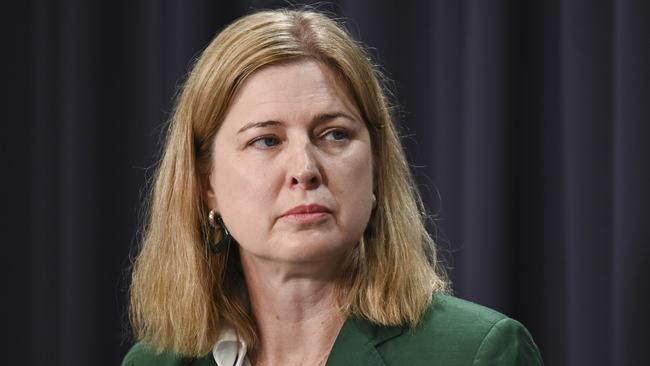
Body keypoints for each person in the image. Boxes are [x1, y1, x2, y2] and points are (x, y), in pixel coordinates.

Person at [122, 8, 543, 366]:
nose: (304, 169)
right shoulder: (156, 360)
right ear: (205, 183)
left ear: (376, 166)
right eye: (266, 140)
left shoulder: (475, 353)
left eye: (334, 135)